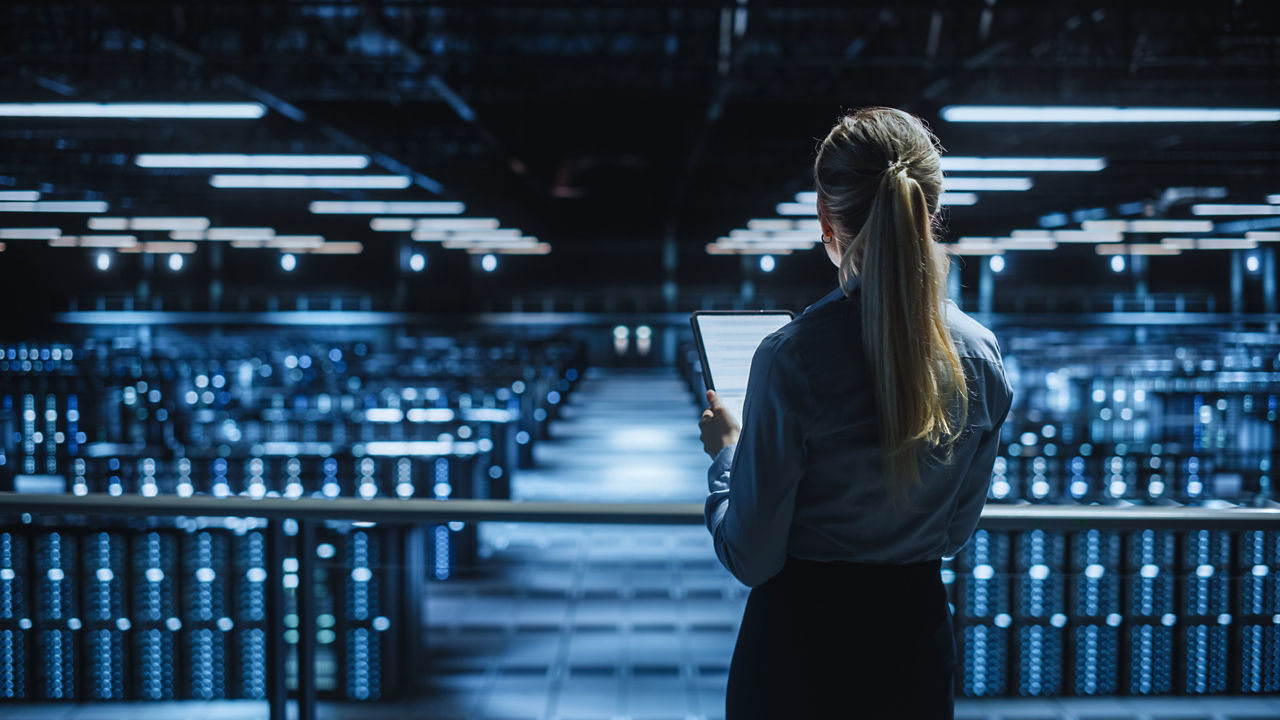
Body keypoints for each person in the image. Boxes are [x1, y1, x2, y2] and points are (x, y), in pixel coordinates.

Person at [698, 106, 1014, 719]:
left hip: (800, 656)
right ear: (930, 210)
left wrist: (727, 456)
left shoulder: (793, 358)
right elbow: (952, 534)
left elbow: (751, 556)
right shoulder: (979, 354)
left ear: (827, 219)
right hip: (912, 651)